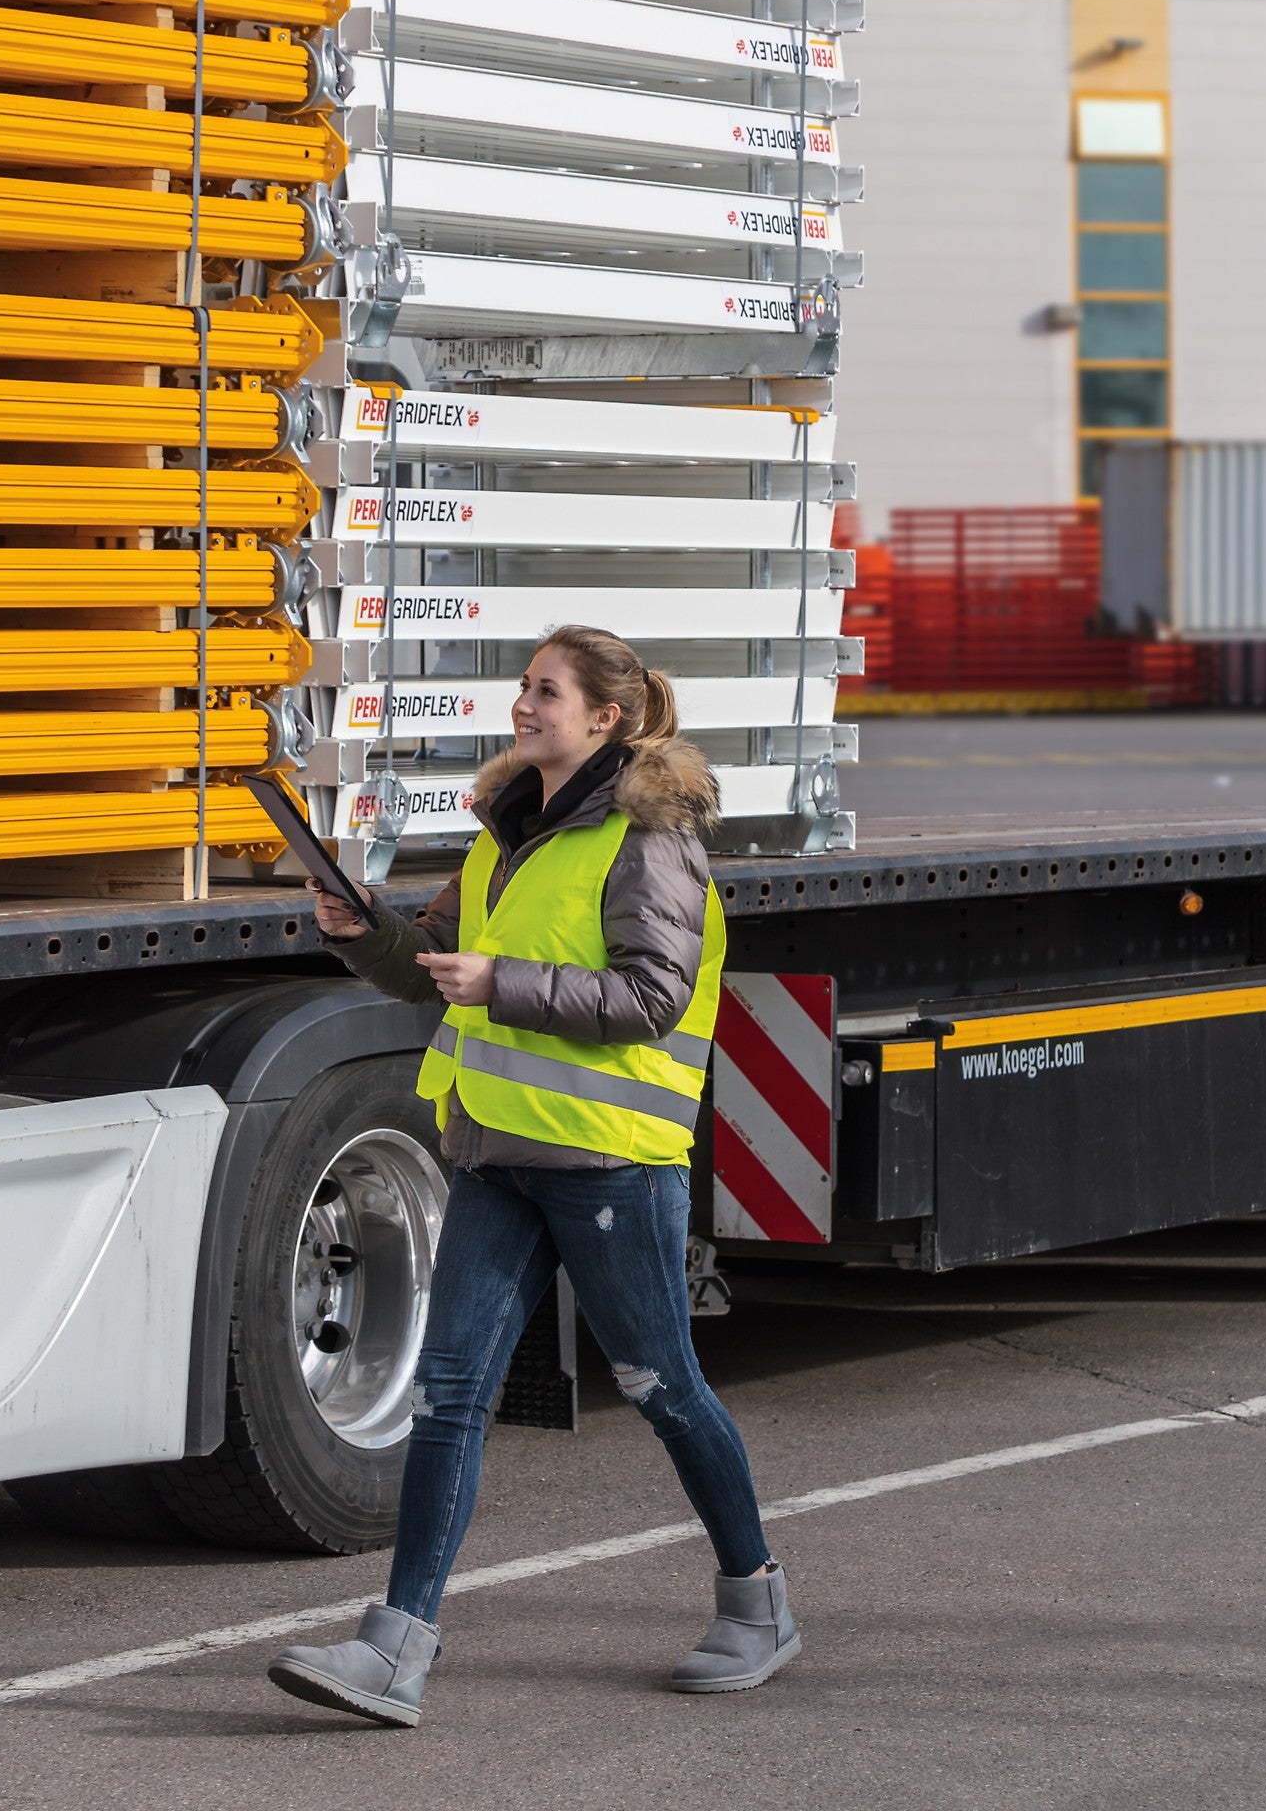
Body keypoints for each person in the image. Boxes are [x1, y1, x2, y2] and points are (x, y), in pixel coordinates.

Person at [267, 626, 798, 1727]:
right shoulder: (506, 831)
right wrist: (359, 933)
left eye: (543, 691)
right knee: (450, 1394)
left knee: (665, 1389)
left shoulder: (649, 838)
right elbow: (431, 971)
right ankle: (397, 1648)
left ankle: (757, 1603)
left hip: (611, 1162)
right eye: (523, 687)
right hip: (497, 1153)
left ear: (604, 717)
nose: (521, 705)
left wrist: (501, 980)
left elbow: (650, 996)